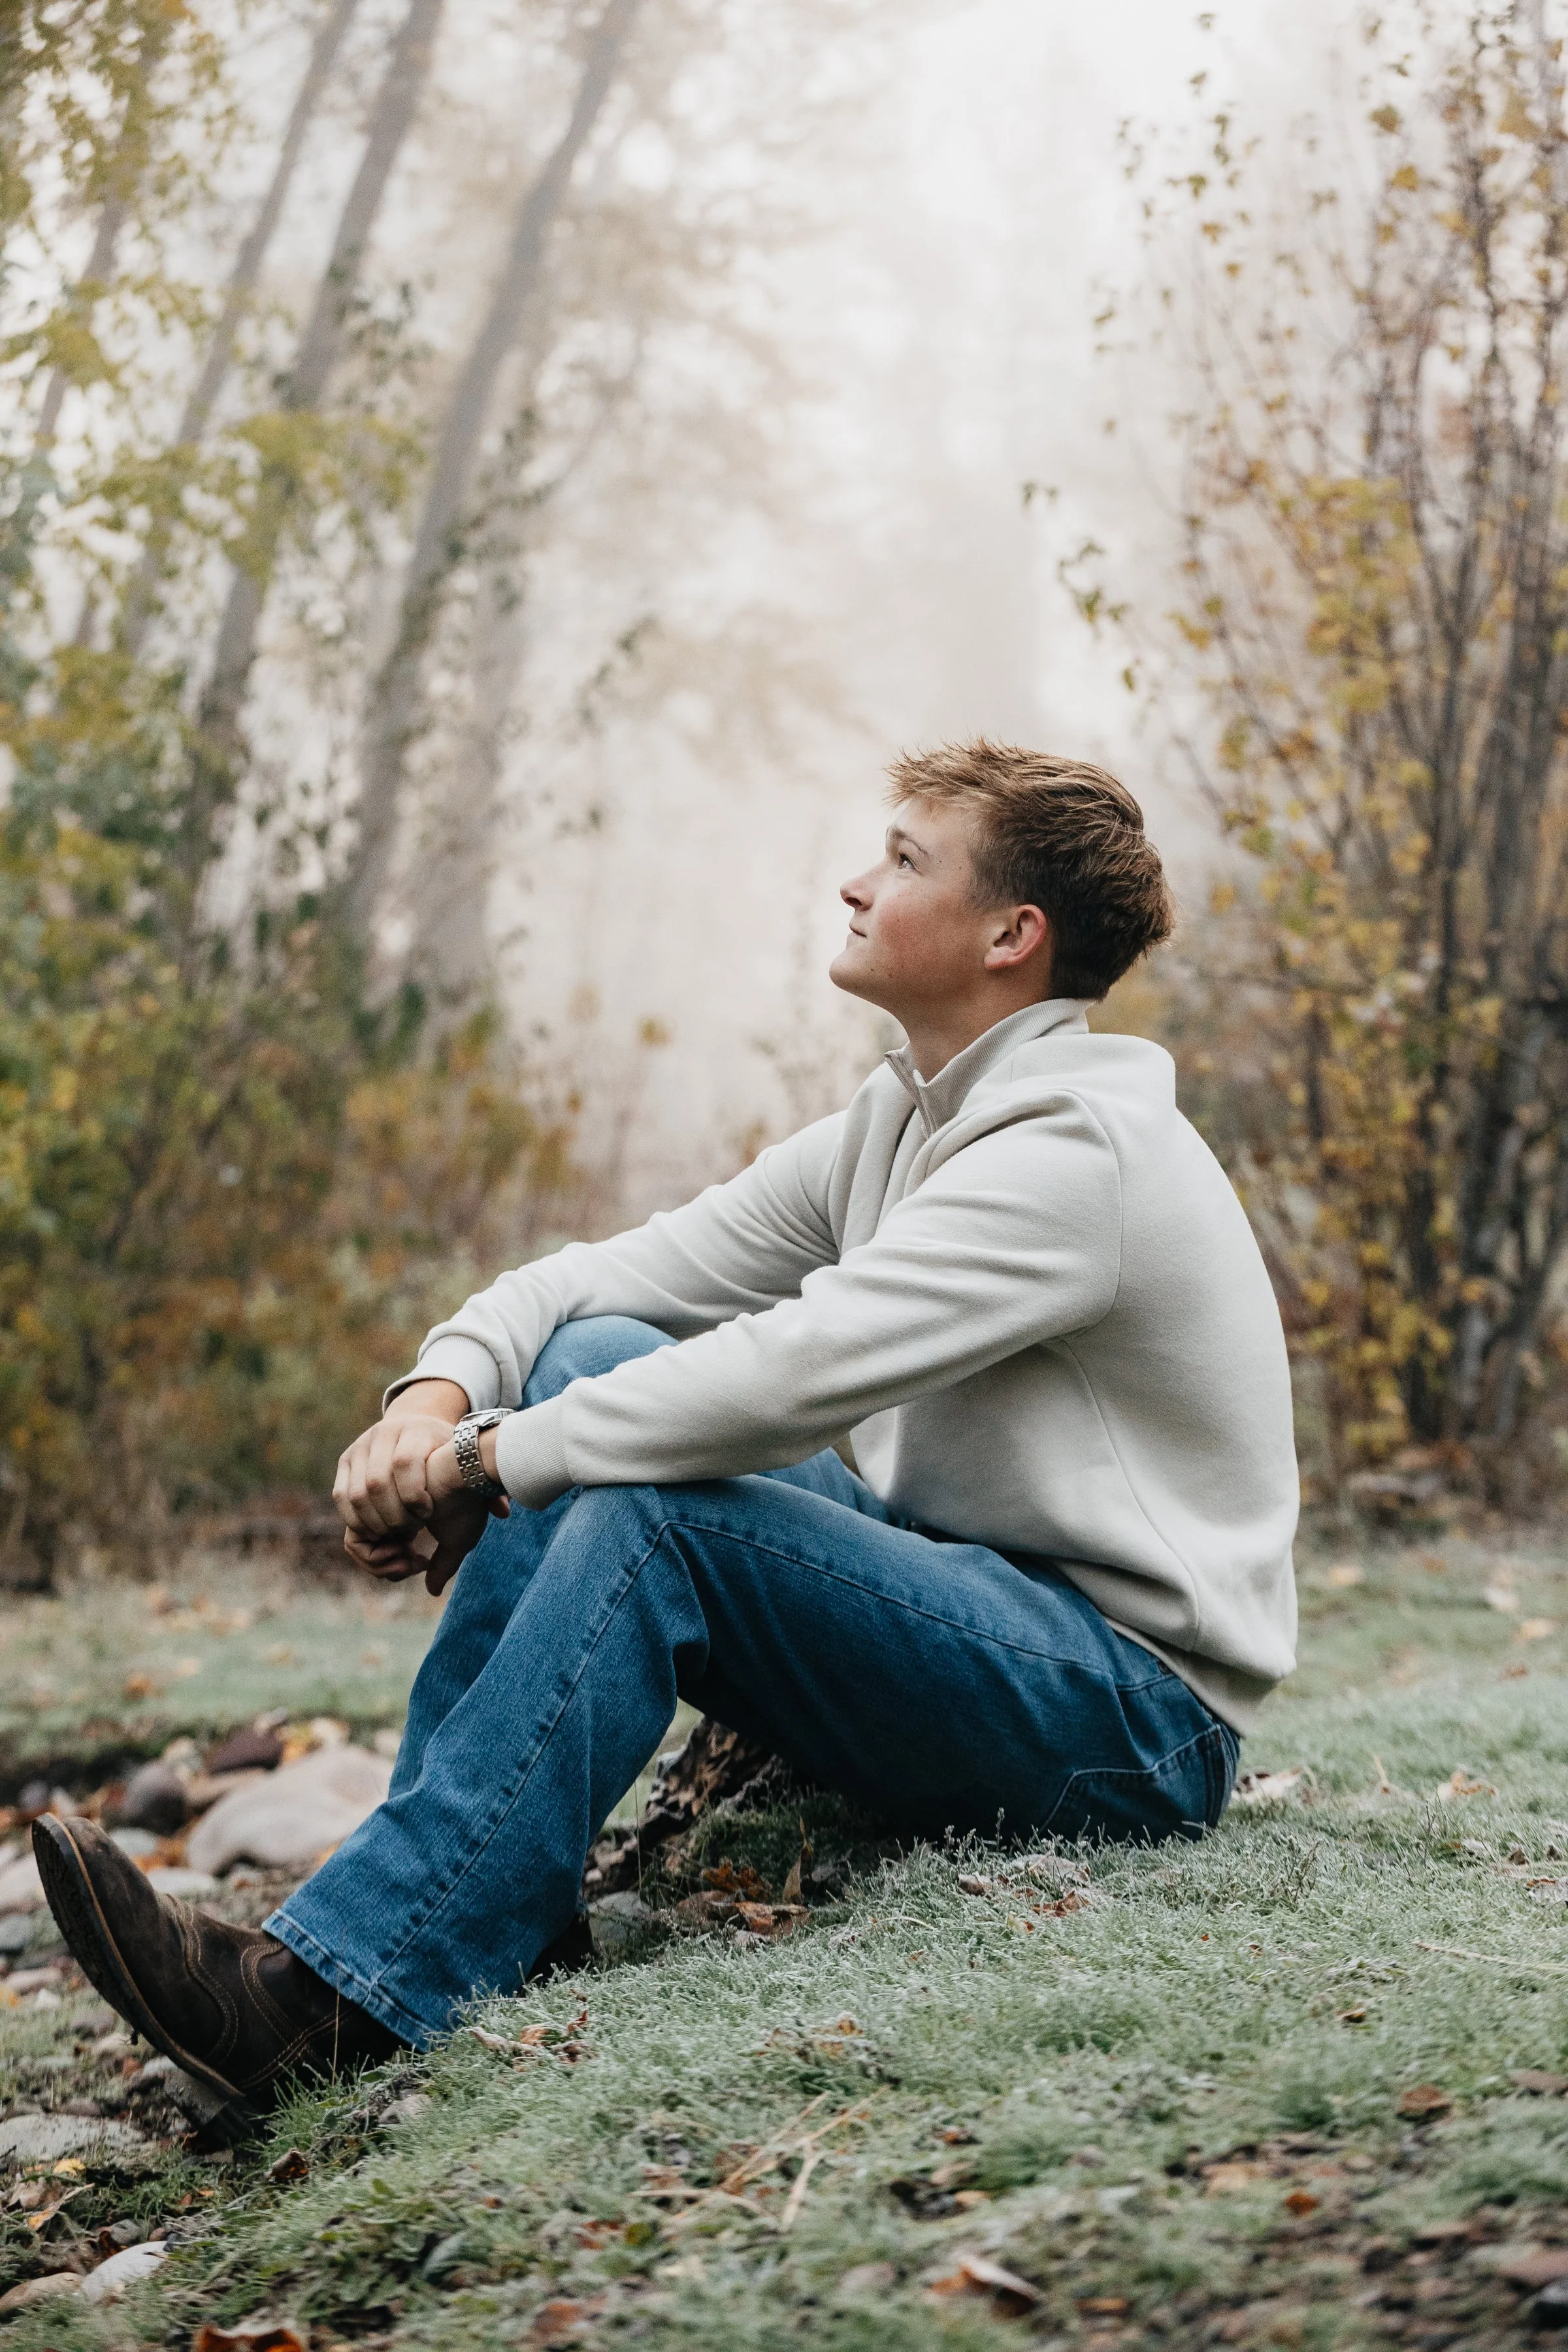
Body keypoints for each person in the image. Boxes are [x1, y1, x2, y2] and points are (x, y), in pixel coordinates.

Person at [34, 739, 1298, 2120]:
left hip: (1128, 1709)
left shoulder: (1076, 1154)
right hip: (977, 1607)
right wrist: (439, 1394)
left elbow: (784, 1375)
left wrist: (486, 1463)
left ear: (1013, 935)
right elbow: (603, 1280)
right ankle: (471, 1913)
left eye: (904, 860)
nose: (854, 884)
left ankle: (330, 1998)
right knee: (592, 1359)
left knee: (655, 1505)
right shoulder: (907, 1119)